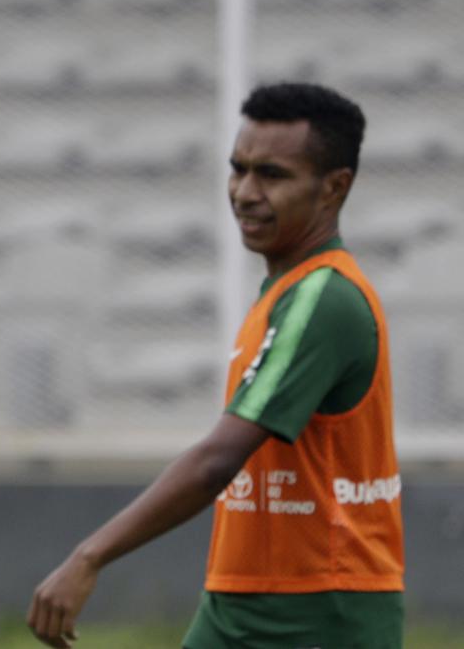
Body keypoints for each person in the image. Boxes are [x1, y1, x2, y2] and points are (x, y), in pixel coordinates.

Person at [26, 83, 403, 649]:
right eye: (238, 169)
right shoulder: (286, 292)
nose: (245, 192)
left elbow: (217, 461)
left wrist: (89, 556)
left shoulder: (322, 299)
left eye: (272, 175)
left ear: (334, 188)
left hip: (318, 609)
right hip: (246, 598)